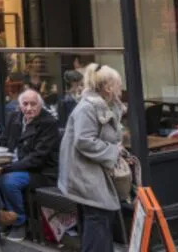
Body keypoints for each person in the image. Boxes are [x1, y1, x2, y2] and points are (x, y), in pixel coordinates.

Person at [59, 64, 125, 252]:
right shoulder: (88, 108)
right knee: (98, 218)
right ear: (107, 86)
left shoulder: (104, 105)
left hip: (93, 171)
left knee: (100, 219)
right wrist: (113, 151)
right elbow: (84, 140)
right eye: (117, 83)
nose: (120, 86)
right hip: (86, 174)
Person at [0, 88, 61, 242]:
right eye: (25, 104)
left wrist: (7, 168)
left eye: (33, 104)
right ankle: (4, 218)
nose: (29, 108)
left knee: (8, 181)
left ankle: (19, 222)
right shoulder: (15, 117)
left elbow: (37, 158)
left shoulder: (48, 123)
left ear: (40, 105)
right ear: (19, 106)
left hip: (43, 173)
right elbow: (3, 141)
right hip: (17, 166)